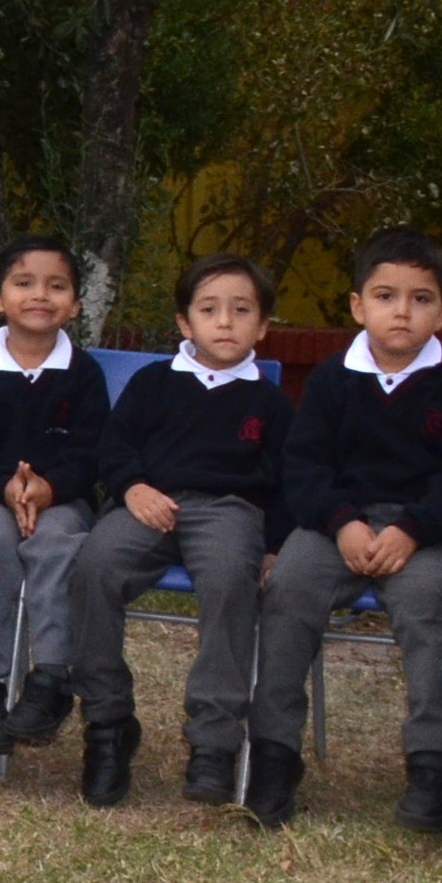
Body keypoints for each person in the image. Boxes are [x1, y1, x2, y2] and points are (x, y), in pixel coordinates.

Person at [249, 227, 442, 831]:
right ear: (358, 305)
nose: (402, 312)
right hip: (340, 525)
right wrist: (342, 524)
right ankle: (275, 753)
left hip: (429, 532)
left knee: (425, 606)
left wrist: (412, 529)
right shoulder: (333, 379)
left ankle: (432, 763)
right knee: (289, 590)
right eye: (385, 296)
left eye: (420, 298)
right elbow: (303, 468)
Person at [63, 254, 291, 807]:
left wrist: (276, 542)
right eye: (209, 310)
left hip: (230, 510)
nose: (225, 322)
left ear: (261, 325)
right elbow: (114, 446)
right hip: (148, 500)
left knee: (230, 582)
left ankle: (214, 741)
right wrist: (133, 487)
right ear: (185, 323)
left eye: (241, 311)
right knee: (94, 566)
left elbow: (290, 477)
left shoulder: (270, 400)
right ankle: (108, 722)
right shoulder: (152, 383)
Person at [0, 236, 107, 757]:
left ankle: (51, 679)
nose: (40, 295)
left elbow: (92, 453)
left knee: (58, 542)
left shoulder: (84, 374)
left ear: (76, 305)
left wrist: (48, 487)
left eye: (56, 286)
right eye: (23, 283)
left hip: (62, 501)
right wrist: (8, 486)